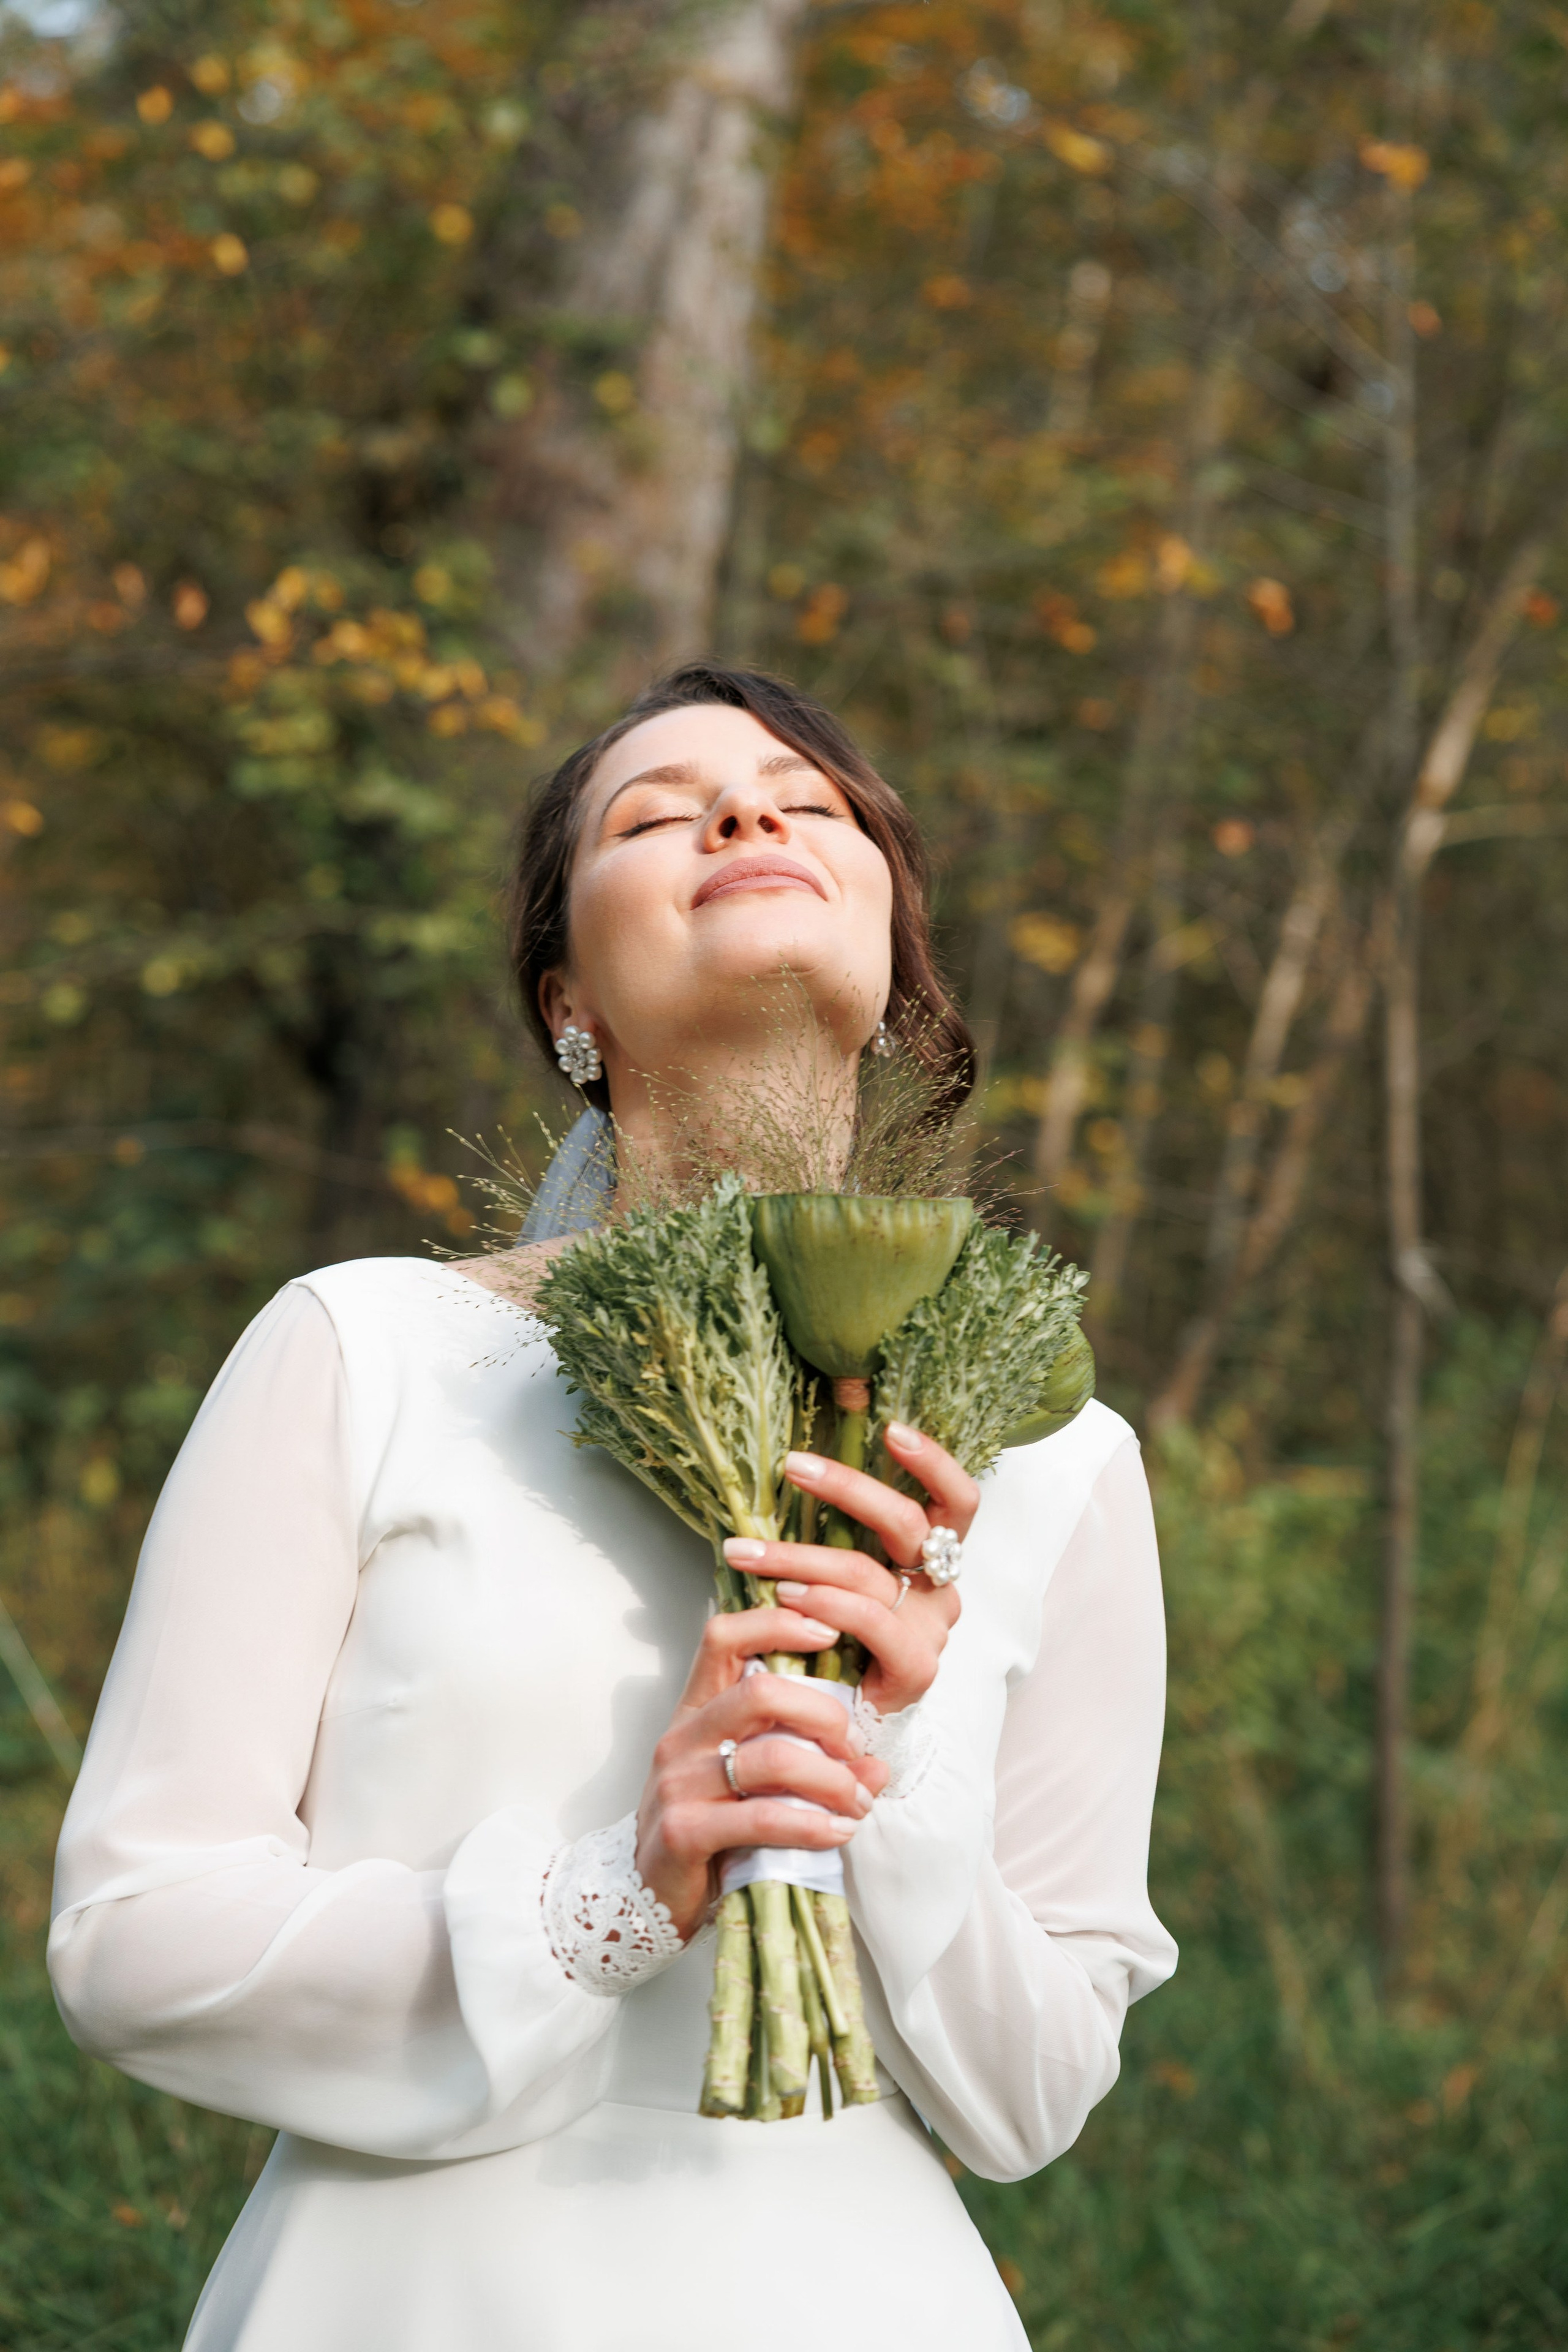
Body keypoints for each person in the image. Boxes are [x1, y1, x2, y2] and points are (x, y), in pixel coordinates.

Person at [49, 662, 1176, 2351]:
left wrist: (895, 1771)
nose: (746, 813)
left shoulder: (1059, 1460)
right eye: (658, 813)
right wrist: (608, 1900)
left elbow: (1038, 2098)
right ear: (569, 1001)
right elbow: (131, 1940)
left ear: (896, 979)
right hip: (405, 2297)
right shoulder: (364, 1352)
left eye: (810, 800)